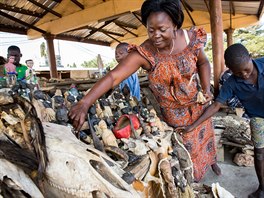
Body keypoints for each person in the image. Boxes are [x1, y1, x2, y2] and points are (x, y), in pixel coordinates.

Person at [69, 0, 221, 182]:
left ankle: (212, 162)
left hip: (199, 106)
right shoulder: (145, 53)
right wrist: (85, 102)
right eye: (151, 30)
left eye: (162, 29)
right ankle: (194, 181)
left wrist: (205, 89)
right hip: (174, 116)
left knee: (206, 141)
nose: (156, 35)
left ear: (174, 24)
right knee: (185, 154)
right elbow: (113, 77)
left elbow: (203, 62)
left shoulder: (190, 39)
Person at [178, 43, 264, 197]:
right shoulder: (231, 83)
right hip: (258, 118)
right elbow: (216, 105)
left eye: (246, 69)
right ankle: (262, 188)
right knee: (259, 153)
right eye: (238, 73)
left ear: (250, 57)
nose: (244, 75)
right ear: (230, 70)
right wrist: (192, 126)